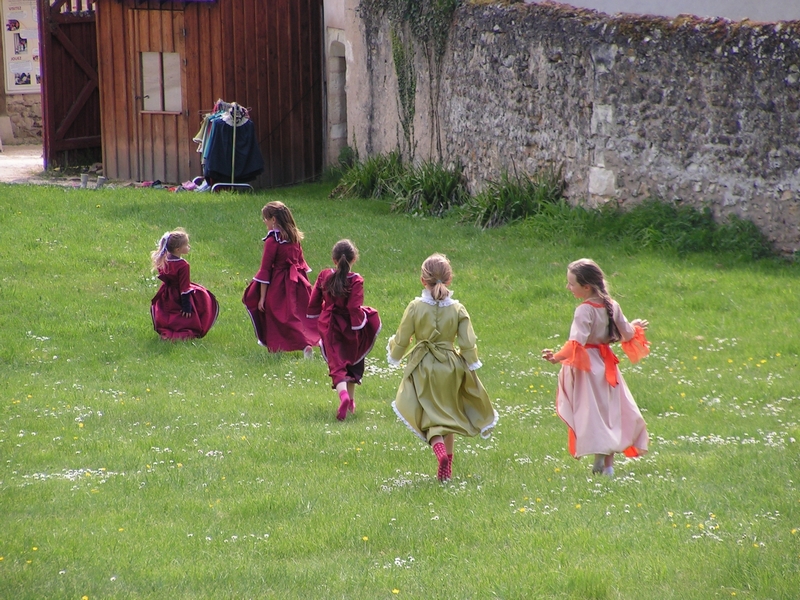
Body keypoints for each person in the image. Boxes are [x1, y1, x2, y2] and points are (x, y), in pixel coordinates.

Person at [387, 253, 498, 482]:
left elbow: (403, 337)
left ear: (422, 280)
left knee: (428, 413)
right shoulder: (457, 308)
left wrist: (395, 353)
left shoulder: (416, 306)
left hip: (423, 365)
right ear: (449, 280)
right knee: (447, 412)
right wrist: (470, 362)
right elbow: (468, 341)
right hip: (450, 367)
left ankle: (439, 452)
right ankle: (447, 471)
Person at [541, 258, 650, 477]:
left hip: (587, 369)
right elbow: (627, 333)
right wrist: (635, 326)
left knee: (592, 414)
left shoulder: (584, 311)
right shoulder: (612, 305)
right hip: (607, 365)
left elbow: (576, 343)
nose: (568, 287)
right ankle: (608, 466)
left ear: (586, 286)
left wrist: (556, 357)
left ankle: (599, 453)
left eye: (571, 284)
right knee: (610, 412)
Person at [307, 240, 382, 421]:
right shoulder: (356, 280)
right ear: (354, 258)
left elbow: (314, 302)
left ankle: (344, 397)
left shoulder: (324, 276)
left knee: (337, 363)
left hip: (330, 326)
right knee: (354, 359)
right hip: (350, 326)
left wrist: (315, 315)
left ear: (333, 259)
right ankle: (351, 402)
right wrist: (360, 324)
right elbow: (354, 307)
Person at [242, 201, 320, 355]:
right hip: (297, 282)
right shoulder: (294, 238)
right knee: (296, 316)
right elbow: (301, 263)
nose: (264, 221)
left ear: (274, 220)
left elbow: (265, 270)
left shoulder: (272, 241)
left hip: (279, 285)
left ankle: (282, 347)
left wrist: (262, 297)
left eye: (266, 218)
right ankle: (304, 344)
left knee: (275, 314)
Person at [150, 228, 219, 340]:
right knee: (201, 301)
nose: (189, 247)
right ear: (178, 249)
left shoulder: (163, 260)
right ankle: (182, 334)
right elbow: (184, 288)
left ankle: (168, 331)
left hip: (167, 293)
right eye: (186, 245)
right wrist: (186, 306)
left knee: (170, 312)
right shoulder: (183, 265)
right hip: (179, 295)